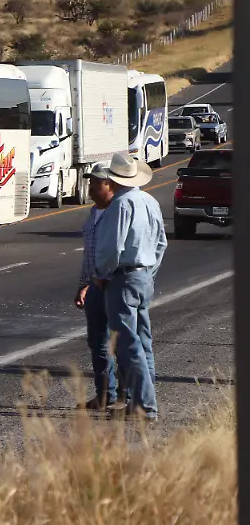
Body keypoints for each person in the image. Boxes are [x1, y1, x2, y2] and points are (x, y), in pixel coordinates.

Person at [90, 151, 168, 421]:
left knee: (127, 343)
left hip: (123, 277)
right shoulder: (149, 201)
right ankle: (142, 400)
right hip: (144, 275)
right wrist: (150, 272)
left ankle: (145, 406)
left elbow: (112, 248)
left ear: (113, 179)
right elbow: (161, 243)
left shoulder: (121, 205)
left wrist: (101, 273)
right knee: (142, 340)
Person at [75, 163, 123, 412]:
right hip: (95, 287)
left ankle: (126, 397)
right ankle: (105, 394)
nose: (91, 187)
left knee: (123, 342)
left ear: (110, 185)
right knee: (98, 342)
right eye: (90, 182)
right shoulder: (93, 213)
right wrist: (84, 285)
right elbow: (89, 256)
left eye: (95, 183)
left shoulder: (119, 211)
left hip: (116, 285)